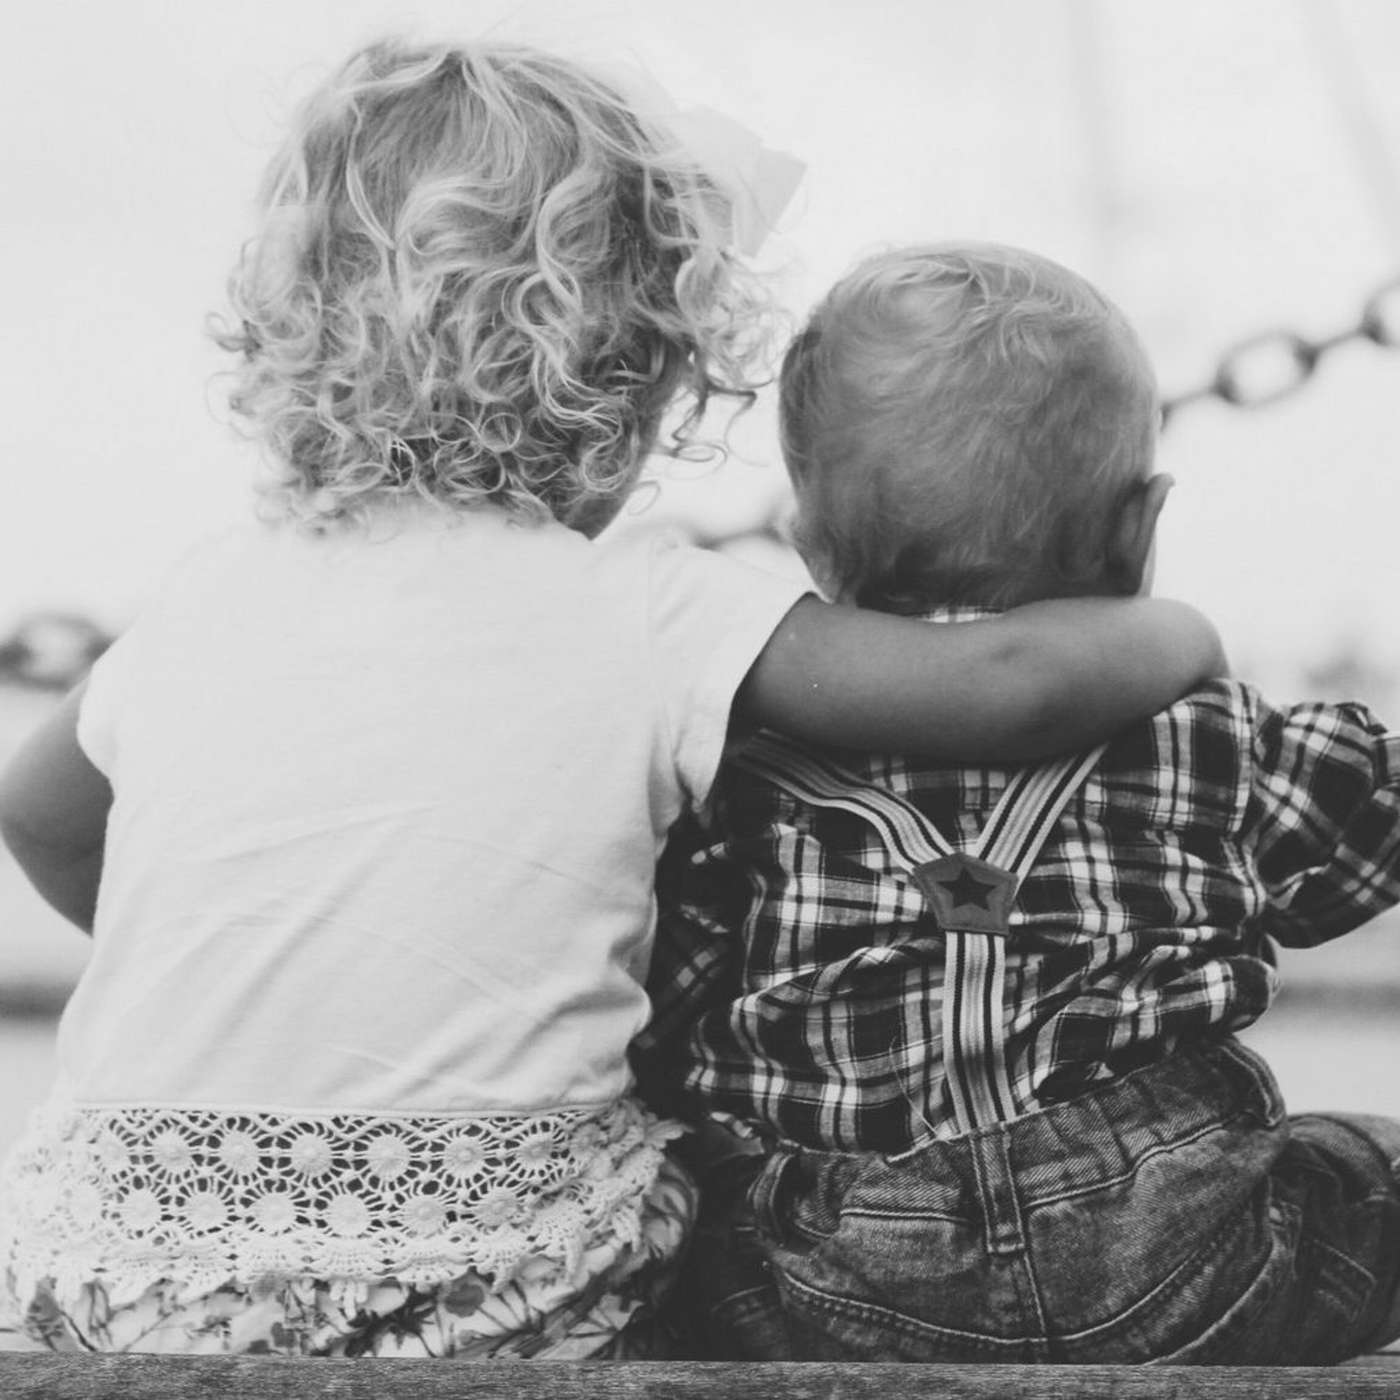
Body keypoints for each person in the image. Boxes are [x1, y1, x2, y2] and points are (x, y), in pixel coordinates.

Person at [0, 46, 1221, 1359]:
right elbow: (1002, 685)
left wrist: (293, 974)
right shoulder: (646, 606)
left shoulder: (212, 592)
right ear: (634, 383)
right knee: (733, 1172)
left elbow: (39, 813)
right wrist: (1177, 632)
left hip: (110, 1281)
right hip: (475, 1297)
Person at [638, 242, 1400, 1366]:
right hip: (1195, 1261)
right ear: (1138, 528)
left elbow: (669, 1022)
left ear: (811, 548)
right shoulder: (1212, 745)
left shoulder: (741, 789)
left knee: (698, 1225)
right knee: (1368, 1171)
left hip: (842, 1294)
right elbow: (1369, 826)